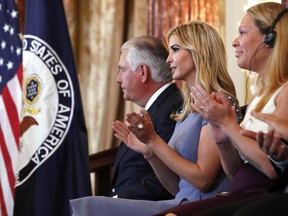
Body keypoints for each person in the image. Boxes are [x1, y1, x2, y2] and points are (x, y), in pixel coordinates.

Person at [70, 20, 239, 216]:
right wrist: (149, 153)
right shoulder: (186, 110)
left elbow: (203, 180)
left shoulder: (217, 103)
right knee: (86, 207)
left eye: (175, 49)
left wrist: (154, 141)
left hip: (206, 207)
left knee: (90, 208)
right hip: (180, 203)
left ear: (198, 52)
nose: (168, 59)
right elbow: (176, 188)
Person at [155, 2, 288, 215]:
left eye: (243, 33)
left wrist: (227, 124)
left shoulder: (285, 91)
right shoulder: (258, 97)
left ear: (270, 38)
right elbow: (236, 174)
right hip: (242, 191)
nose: (235, 42)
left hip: (264, 194)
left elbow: (272, 169)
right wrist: (222, 141)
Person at [111, 35, 183, 201]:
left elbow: (165, 177)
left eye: (122, 70)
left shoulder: (173, 107)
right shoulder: (158, 107)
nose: (118, 79)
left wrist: (115, 201)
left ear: (143, 72)